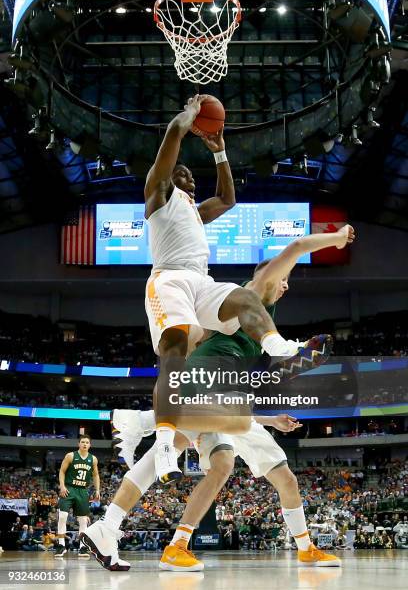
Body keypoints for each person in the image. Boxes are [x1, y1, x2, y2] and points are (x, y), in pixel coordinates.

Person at [82, 226, 353, 570]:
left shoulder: (248, 318)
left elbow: (239, 364)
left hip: (222, 390)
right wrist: (338, 237)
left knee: (231, 464)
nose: (286, 284)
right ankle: (142, 421)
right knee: (218, 432)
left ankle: (114, 527)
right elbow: (297, 246)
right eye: (283, 277)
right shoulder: (255, 291)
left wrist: (300, 367)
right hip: (207, 381)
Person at [143, 94, 334, 483]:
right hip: (168, 280)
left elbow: (228, 198)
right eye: (185, 174)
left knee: (245, 296)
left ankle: (278, 347)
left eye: (193, 176)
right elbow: (173, 134)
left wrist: (220, 152)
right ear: (169, 177)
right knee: (175, 351)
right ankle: (164, 444)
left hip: (200, 282)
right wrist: (190, 115)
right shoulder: (158, 196)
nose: (190, 179)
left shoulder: (195, 212)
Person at [55, 434, 100, 558]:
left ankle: (83, 547)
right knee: (63, 516)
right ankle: (61, 545)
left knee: (83, 520)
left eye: (87, 442)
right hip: (69, 488)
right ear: (78, 444)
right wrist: (62, 486)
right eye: (83, 442)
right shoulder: (70, 456)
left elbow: (95, 475)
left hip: (82, 490)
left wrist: (97, 490)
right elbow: (62, 471)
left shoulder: (93, 459)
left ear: (90, 445)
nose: (85, 444)